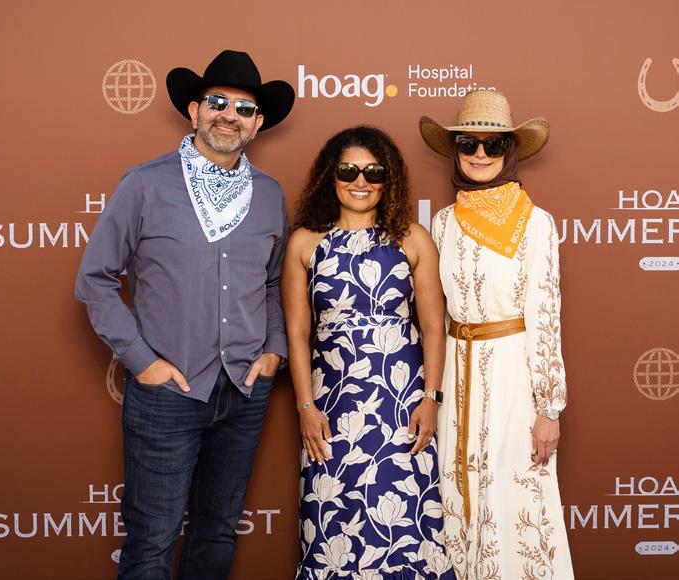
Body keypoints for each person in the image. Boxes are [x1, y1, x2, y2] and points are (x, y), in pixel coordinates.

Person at [75, 50, 294, 579]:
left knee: (216, 533)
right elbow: (95, 280)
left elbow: (271, 283)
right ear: (194, 110)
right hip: (167, 393)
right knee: (152, 541)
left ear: (257, 124)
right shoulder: (145, 184)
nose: (229, 115)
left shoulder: (269, 195)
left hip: (244, 391)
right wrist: (143, 362)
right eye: (217, 102)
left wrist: (274, 351)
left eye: (244, 108)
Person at [282, 126, 456, 579]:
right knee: (332, 519)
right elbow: (297, 333)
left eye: (373, 172)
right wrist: (305, 407)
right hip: (331, 408)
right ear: (330, 176)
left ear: (388, 179)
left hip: (402, 405)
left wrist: (430, 399)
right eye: (348, 171)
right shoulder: (305, 242)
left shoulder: (412, 238)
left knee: (405, 522)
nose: (360, 181)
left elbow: (433, 328)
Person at [419, 89, 574, 579]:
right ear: (455, 152)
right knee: (456, 495)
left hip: (513, 381)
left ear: (510, 152)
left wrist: (548, 408)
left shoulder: (536, 223)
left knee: (514, 500)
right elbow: (435, 316)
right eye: (468, 143)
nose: (480, 154)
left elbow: (545, 315)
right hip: (456, 379)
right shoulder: (443, 222)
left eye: (494, 144)